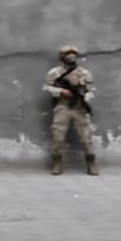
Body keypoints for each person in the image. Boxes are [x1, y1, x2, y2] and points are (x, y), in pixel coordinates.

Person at [44, 45, 98, 176]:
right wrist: (61, 91)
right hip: (62, 106)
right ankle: (57, 163)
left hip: (79, 107)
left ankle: (91, 163)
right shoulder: (54, 73)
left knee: (86, 136)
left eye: (73, 55)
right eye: (68, 55)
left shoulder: (84, 73)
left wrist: (85, 99)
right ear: (62, 57)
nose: (71, 57)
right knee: (58, 135)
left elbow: (91, 90)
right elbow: (47, 87)